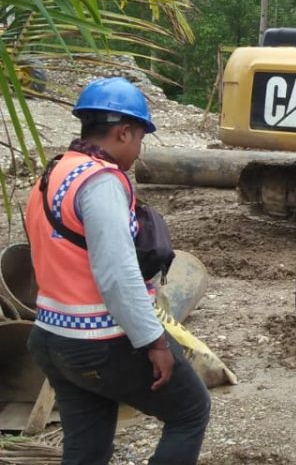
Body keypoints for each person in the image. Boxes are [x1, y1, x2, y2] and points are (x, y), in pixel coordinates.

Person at [24, 77, 211, 465]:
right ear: (123, 132)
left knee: (86, 448)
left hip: (50, 337)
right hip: (101, 340)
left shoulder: (53, 173)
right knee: (190, 411)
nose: (139, 150)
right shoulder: (101, 182)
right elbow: (117, 274)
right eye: (140, 138)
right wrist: (155, 343)